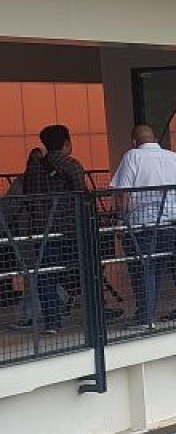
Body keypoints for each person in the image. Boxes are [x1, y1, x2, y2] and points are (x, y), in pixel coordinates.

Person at [111, 124, 176, 329]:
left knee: (142, 270)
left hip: (141, 223)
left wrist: (121, 220)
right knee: (157, 268)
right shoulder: (174, 157)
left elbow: (123, 192)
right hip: (170, 222)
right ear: (155, 139)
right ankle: (147, 314)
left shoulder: (132, 156)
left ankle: (145, 317)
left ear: (134, 141)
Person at [14, 125, 86, 334]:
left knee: (46, 276)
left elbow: (28, 197)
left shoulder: (33, 169)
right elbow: (81, 196)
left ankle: (52, 322)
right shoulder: (72, 165)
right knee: (87, 270)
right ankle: (95, 315)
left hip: (42, 230)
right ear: (67, 143)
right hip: (70, 230)